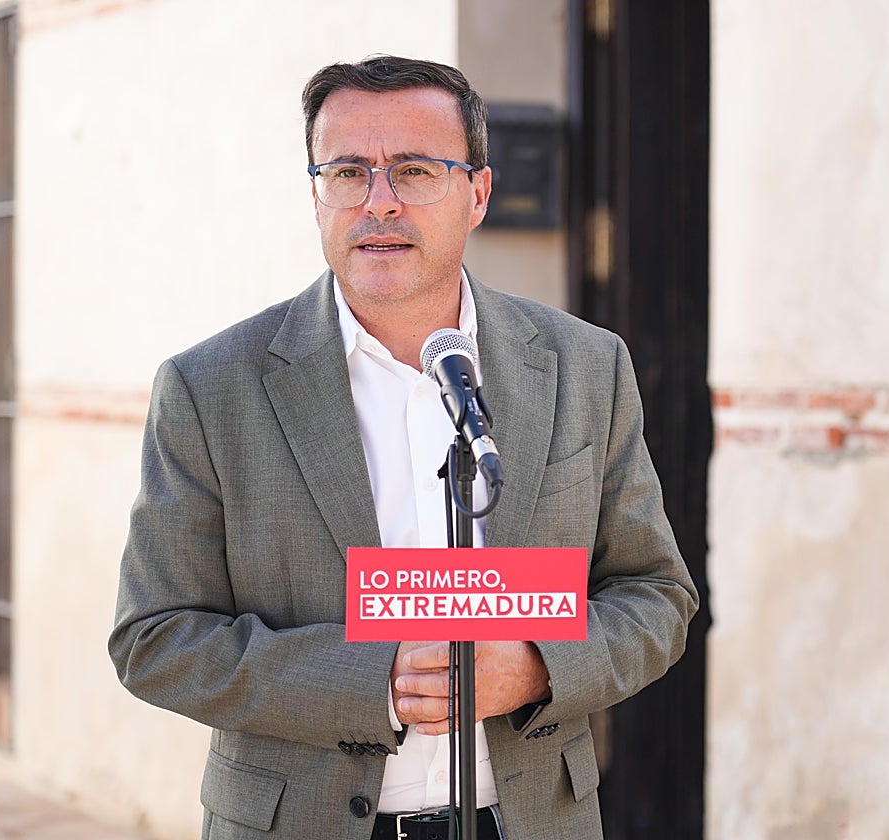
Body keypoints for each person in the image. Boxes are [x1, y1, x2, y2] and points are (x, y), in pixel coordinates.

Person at [109, 55, 697, 840]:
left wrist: (536, 666)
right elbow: (154, 637)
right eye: (348, 172)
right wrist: (374, 681)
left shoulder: (587, 366)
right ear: (316, 195)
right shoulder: (210, 388)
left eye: (415, 171)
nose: (378, 201)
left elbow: (656, 596)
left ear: (477, 193)